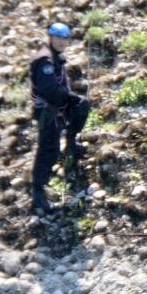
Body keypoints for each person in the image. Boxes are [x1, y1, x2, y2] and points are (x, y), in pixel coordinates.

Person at [29, 22, 91, 213]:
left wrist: (71, 100)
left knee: (82, 106)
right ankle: (38, 191)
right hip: (48, 111)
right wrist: (69, 98)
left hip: (58, 107)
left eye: (65, 39)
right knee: (49, 149)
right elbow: (48, 90)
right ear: (50, 37)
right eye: (59, 38)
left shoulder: (53, 56)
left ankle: (71, 144)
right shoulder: (44, 60)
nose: (62, 42)